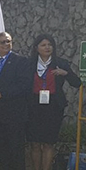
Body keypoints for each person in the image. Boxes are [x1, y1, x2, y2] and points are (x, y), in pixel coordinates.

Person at [28, 35, 81, 170]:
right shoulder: (29, 64)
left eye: (50, 45)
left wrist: (65, 73)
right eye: (43, 45)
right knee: (34, 143)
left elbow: (76, 83)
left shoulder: (60, 63)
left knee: (48, 143)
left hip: (53, 107)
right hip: (33, 106)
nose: (47, 47)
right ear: (36, 48)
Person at [0, 32, 30, 170]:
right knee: (1, 151)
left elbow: (24, 85)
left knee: (16, 152)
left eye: (8, 41)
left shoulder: (20, 61)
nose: (6, 44)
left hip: (15, 115)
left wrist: (3, 94)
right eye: (2, 42)